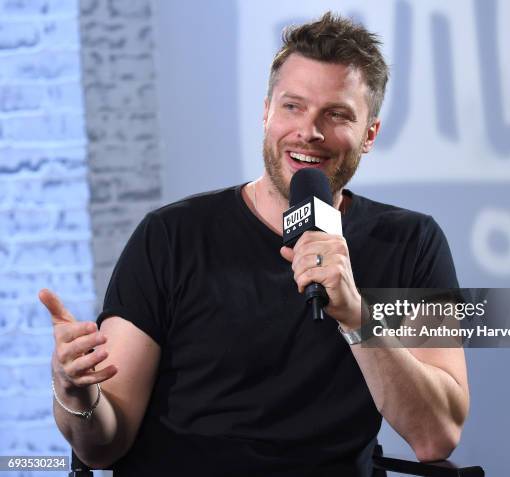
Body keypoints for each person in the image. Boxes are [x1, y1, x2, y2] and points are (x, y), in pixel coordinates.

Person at [40, 12, 469, 476]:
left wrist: (355, 314)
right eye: (292, 106)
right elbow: (104, 444)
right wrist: (74, 392)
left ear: (369, 135)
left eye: (337, 114)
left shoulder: (410, 242)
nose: (310, 131)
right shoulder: (171, 236)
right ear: (266, 112)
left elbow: (435, 435)